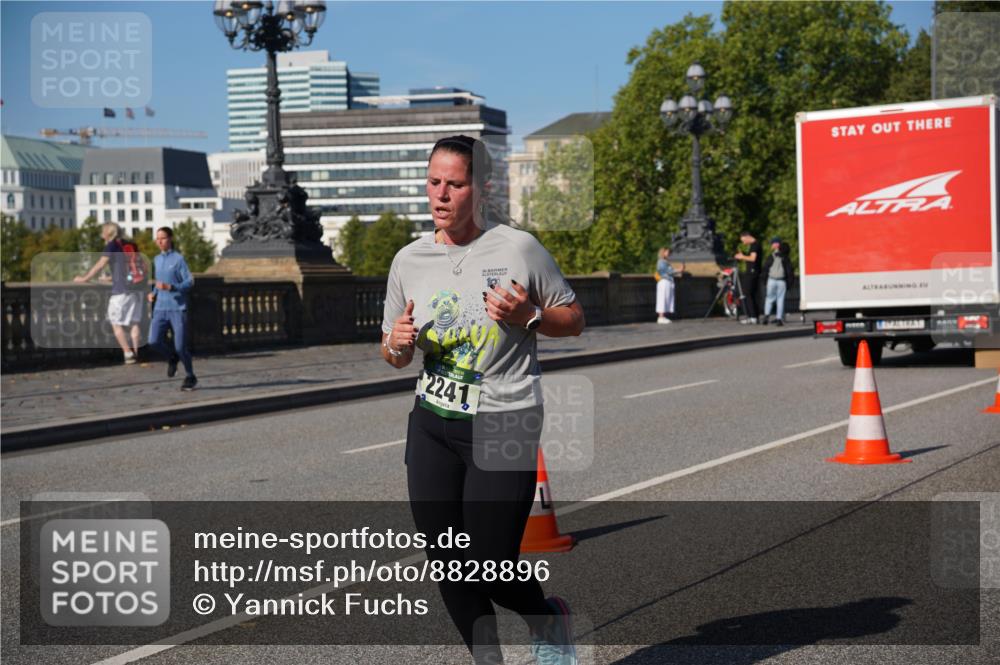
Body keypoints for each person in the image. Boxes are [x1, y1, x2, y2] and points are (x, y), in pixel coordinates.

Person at [381, 135, 585, 665]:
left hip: (505, 419)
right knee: (448, 562)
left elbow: (574, 318)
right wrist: (396, 347)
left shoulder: (517, 248)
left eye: (455, 183)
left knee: (490, 562)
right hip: (433, 422)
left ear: (481, 189)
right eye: (433, 182)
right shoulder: (409, 260)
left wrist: (530, 317)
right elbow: (393, 350)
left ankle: (547, 618)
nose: (441, 195)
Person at [74, 222, 145, 364]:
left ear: (108, 233)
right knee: (134, 323)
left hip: (121, 292)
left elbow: (100, 264)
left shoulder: (111, 246)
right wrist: (110, 277)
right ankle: (137, 353)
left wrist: (84, 278)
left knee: (115, 323)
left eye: (102, 232)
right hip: (137, 288)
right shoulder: (129, 244)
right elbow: (129, 268)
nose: (101, 235)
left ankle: (128, 353)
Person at [146, 227, 197, 391]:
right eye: (157, 238)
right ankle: (172, 358)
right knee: (153, 341)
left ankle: (190, 375)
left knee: (180, 346)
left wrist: (172, 287)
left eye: (163, 238)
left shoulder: (178, 259)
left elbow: (189, 282)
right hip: (160, 308)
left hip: (177, 308)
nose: (159, 241)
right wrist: (153, 293)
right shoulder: (156, 259)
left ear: (170, 239)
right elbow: (159, 281)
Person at [762, 239, 794, 326]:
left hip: (771, 280)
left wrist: (764, 281)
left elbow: (765, 268)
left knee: (769, 299)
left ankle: (766, 316)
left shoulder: (771, 256)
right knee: (780, 300)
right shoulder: (786, 258)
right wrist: (789, 283)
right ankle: (779, 318)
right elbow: (789, 271)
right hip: (782, 281)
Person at [734, 230, 762, 324]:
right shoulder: (756, 244)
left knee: (747, 293)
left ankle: (752, 316)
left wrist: (742, 257)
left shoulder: (754, 245)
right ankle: (755, 316)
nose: (744, 243)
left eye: (743, 240)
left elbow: (753, 258)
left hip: (752, 272)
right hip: (754, 272)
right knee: (752, 294)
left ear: (747, 236)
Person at [655, 247, 681, 324]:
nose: (668, 253)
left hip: (667, 282)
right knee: (662, 298)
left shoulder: (665, 261)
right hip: (664, 282)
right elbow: (667, 271)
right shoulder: (661, 262)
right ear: (663, 253)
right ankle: (661, 317)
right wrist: (678, 270)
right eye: (667, 252)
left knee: (665, 298)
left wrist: (677, 271)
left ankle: (662, 316)